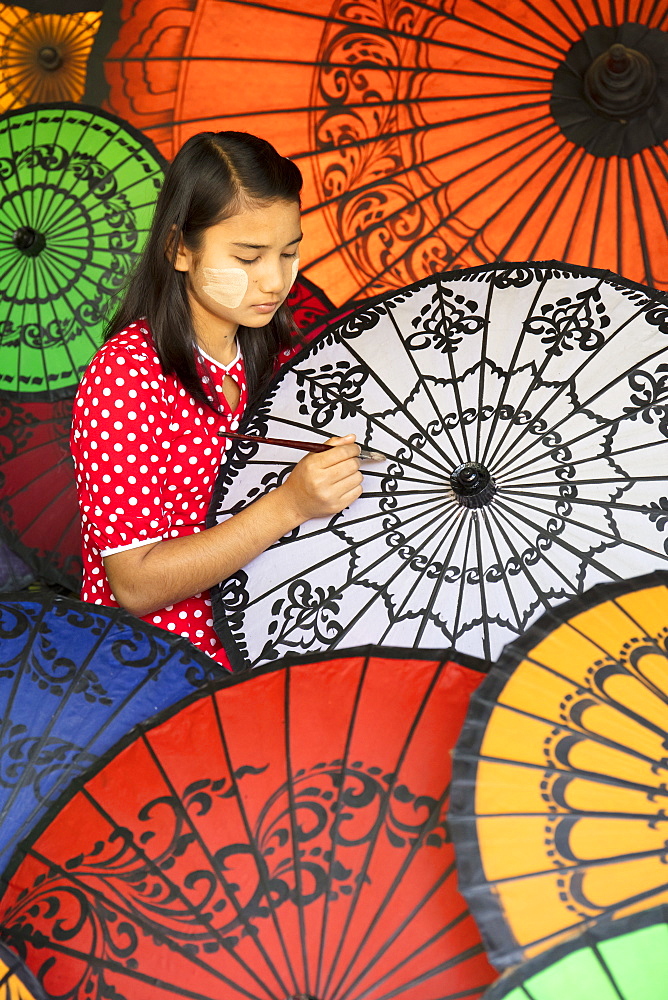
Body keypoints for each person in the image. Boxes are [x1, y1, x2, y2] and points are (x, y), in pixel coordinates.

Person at [70, 131, 363, 668]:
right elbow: (134, 583)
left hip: (270, 651)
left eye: (290, 252)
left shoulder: (278, 362)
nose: (275, 280)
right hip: (161, 671)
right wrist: (290, 504)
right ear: (180, 248)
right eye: (248, 258)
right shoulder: (126, 377)